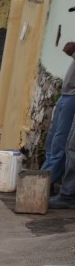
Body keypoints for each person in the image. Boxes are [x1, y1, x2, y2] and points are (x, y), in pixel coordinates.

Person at [41, 41, 75, 195]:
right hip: (66, 95)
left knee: (61, 142)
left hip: (72, 98)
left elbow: (70, 49)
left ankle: (43, 183)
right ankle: (44, 180)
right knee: (52, 141)